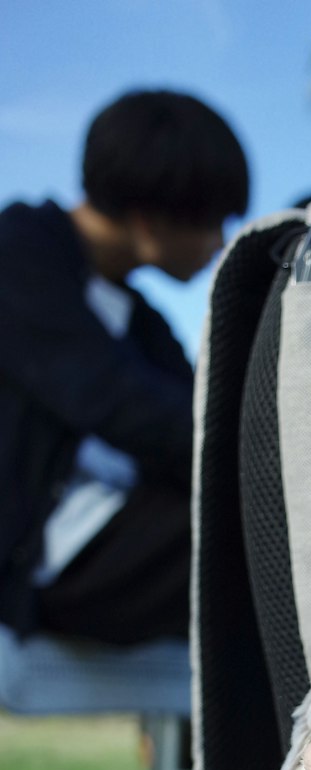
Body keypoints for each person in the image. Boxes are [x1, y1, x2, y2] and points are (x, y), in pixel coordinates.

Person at [0, 89, 249, 645]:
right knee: (259, 534)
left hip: (121, 531)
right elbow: (122, 403)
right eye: (211, 222)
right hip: (45, 553)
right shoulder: (18, 255)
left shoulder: (140, 318)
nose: (219, 243)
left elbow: (195, 411)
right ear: (148, 220)